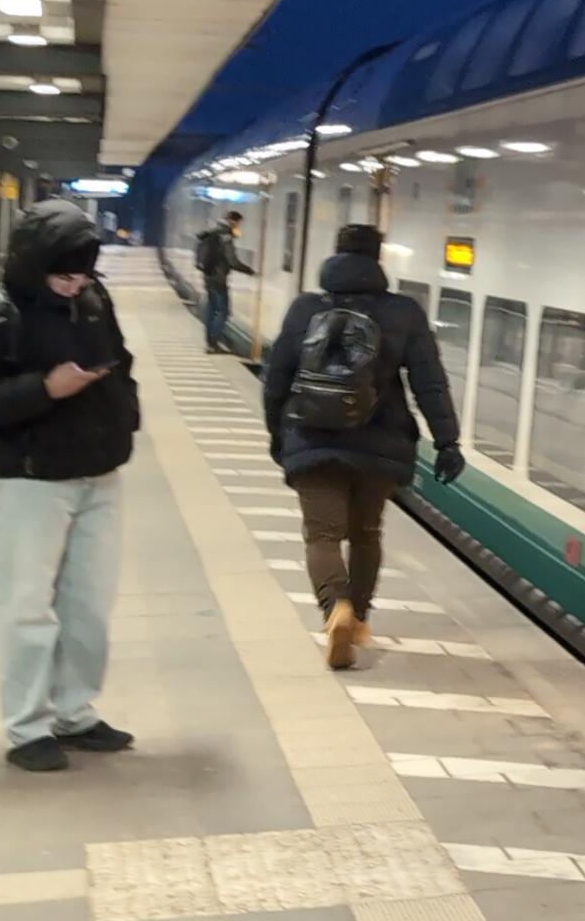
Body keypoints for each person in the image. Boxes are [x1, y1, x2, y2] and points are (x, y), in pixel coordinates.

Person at [0, 199, 141, 772]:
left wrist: (122, 415)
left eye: (83, 277)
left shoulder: (95, 302)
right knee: (28, 608)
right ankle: (27, 727)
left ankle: (75, 712)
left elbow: (121, 363)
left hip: (98, 476)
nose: (75, 287)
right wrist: (45, 390)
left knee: (88, 607)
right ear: (34, 265)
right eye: (63, 277)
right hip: (26, 482)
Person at [260, 224, 461, 670]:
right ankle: (361, 618)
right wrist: (448, 441)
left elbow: (275, 379)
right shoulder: (404, 313)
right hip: (381, 445)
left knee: (322, 535)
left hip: (312, 439)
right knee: (366, 534)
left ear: (335, 254)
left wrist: (278, 434)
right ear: (378, 259)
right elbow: (429, 383)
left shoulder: (306, 308)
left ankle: (336, 609)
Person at [194, 211, 254, 354]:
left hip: (208, 277)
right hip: (219, 279)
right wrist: (249, 270)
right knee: (224, 312)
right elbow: (232, 261)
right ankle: (213, 343)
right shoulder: (226, 236)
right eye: (238, 223)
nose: (238, 226)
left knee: (211, 310)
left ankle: (209, 343)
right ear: (233, 221)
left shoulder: (211, 232)